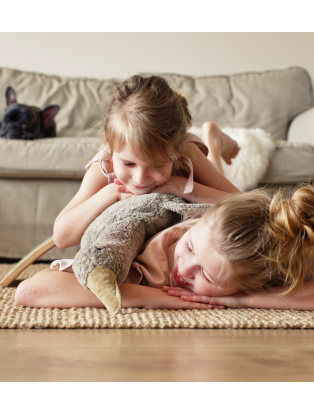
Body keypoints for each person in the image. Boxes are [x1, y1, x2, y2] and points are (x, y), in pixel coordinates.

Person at [15, 184, 314, 311]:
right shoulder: (154, 260)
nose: (184, 270)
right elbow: (30, 290)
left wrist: (239, 301)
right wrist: (155, 296)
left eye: (207, 278)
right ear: (197, 222)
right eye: (190, 247)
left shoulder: (264, 262)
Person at [52, 74, 240, 250]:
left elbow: (249, 205)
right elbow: (61, 237)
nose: (140, 179)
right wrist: (111, 192)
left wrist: (181, 187)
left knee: (216, 177)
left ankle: (213, 141)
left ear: (176, 152)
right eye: (128, 164)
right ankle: (212, 139)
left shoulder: (186, 153)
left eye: (157, 165)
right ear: (109, 145)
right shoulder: (106, 164)